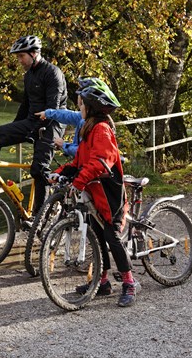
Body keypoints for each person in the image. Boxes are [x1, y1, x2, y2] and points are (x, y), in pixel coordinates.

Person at [48, 77, 139, 307]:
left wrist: (78, 182)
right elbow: (80, 161)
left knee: (111, 237)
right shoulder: (89, 130)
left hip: (109, 195)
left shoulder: (101, 130)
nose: (78, 108)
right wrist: (59, 173)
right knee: (98, 237)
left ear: (91, 107)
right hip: (94, 195)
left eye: (81, 105)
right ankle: (103, 281)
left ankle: (129, 283)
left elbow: (100, 162)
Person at [0, 35, 67, 214]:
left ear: (34, 53)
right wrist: (12, 129)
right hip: (32, 121)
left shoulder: (52, 73)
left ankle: (40, 215)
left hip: (52, 124)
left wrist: (34, 130)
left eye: (21, 56)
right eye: (17, 57)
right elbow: (25, 106)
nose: (19, 60)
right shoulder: (29, 76)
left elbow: (53, 109)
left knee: (38, 169)